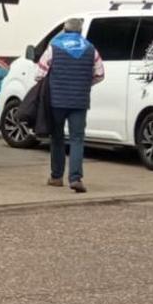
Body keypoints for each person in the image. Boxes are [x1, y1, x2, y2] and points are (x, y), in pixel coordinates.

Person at [35, 18, 105, 193]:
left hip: (57, 101)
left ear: (64, 31)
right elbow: (100, 74)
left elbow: (39, 74)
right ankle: (75, 178)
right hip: (79, 101)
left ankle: (56, 177)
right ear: (80, 32)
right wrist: (84, 84)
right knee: (77, 139)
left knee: (57, 138)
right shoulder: (90, 48)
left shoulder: (54, 47)